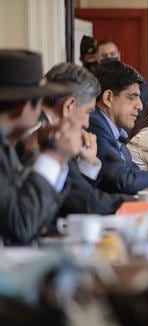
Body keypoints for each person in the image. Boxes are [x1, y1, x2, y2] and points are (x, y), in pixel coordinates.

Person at [0, 49, 83, 245]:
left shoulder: (7, 145)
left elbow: (35, 220)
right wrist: (53, 156)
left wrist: (51, 155)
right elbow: (20, 226)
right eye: (40, 102)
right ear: (24, 106)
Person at [42, 63, 134, 215]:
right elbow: (86, 202)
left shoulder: (56, 131)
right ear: (69, 106)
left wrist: (88, 163)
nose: (86, 123)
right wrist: (142, 203)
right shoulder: (45, 136)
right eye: (87, 112)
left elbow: (73, 193)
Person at [88, 60, 148, 194]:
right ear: (108, 97)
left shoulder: (118, 134)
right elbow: (124, 181)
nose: (140, 106)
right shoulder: (94, 125)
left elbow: (133, 174)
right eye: (132, 97)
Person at [96, 39, 148, 105]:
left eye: (112, 54)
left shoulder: (137, 81)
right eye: (104, 55)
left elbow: (142, 108)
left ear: (119, 55)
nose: (109, 57)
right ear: (97, 57)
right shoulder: (92, 82)